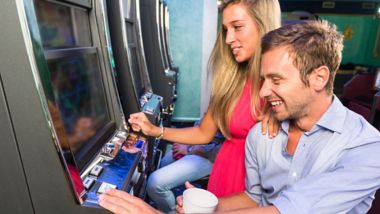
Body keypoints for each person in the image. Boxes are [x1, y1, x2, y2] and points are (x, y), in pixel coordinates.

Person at [176, 20, 380, 213]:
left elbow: (295, 209)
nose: (263, 91)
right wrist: (206, 207)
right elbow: (255, 198)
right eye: (264, 79)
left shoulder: (367, 145)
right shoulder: (260, 135)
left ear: (319, 78)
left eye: (276, 79)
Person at [129, 0, 281, 203]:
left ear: (263, 25)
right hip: (224, 173)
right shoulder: (232, 80)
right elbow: (204, 132)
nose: (228, 39)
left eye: (237, 27)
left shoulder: (282, 85)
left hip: (253, 186)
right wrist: (155, 131)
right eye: (225, 29)